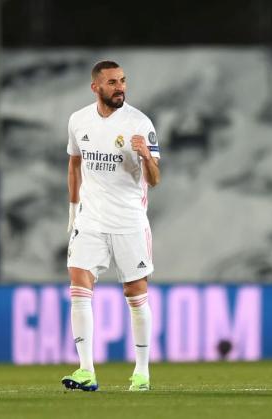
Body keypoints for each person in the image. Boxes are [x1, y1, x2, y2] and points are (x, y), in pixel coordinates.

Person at [62, 61, 161, 392]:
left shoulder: (139, 123)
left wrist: (146, 156)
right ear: (96, 87)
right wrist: (74, 211)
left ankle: (143, 372)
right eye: (112, 82)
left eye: (122, 81)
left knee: (135, 294)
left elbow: (155, 180)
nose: (120, 87)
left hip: (128, 220)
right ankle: (86, 370)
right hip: (90, 220)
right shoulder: (79, 121)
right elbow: (75, 164)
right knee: (79, 281)